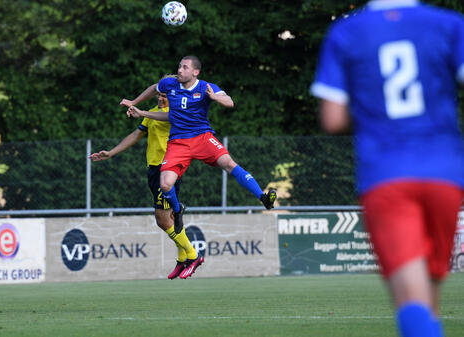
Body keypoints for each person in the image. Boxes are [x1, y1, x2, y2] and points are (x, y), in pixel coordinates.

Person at [310, 1, 464, 337]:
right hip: (446, 173)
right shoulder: (450, 24)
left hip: (386, 175)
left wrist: (371, 105)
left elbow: (332, 118)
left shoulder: (346, 31)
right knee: (430, 301)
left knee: (412, 301)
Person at [121, 56, 277, 278]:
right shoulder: (170, 84)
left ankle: (263, 196)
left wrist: (216, 98)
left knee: (229, 163)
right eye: (179, 66)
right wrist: (134, 103)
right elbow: (153, 88)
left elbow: (230, 101)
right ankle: (178, 210)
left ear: (195, 72)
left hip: (203, 138)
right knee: (166, 185)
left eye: (184, 67)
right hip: (178, 143)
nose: (180, 70)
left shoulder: (205, 87)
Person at [89, 86, 199, 280]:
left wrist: (141, 111)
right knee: (169, 217)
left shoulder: (178, 112)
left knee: (162, 219)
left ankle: (192, 254)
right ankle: (183, 257)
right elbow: (136, 135)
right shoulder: (153, 113)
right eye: (159, 94)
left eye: (165, 96)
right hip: (154, 169)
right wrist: (111, 153)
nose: (160, 99)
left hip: (169, 169)